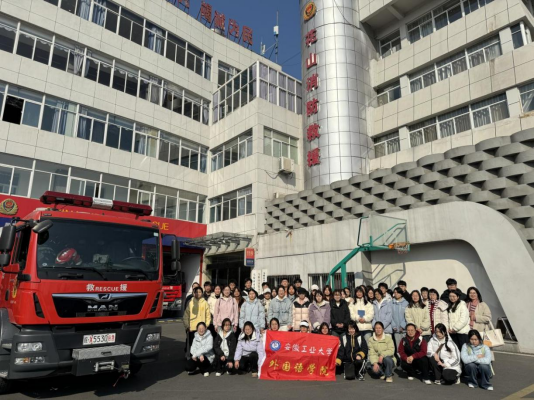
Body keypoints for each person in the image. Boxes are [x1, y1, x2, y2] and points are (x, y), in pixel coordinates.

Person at [184, 287, 211, 355]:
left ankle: (201, 359)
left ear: (202, 293)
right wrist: (187, 326)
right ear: (194, 293)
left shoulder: (205, 303)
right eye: (196, 292)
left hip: (202, 329)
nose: (198, 293)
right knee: (193, 346)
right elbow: (186, 316)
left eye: (199, 292)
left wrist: (206, 325)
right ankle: (193, 358)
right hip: (192, 328)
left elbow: (208, 316)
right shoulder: (191, 303)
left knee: (202, 346)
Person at [391, 287, 409, 355]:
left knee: (406, 346)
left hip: (404, 330)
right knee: (398, 347)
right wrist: (394, 326)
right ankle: (400, 360)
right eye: (395, 292)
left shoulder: (406, 303)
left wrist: (403, 325)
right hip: (396, 330)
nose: (396, 294)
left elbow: (407, 316)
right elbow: (390, 316)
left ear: (401, 294)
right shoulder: (391, 303)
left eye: (397, 292)